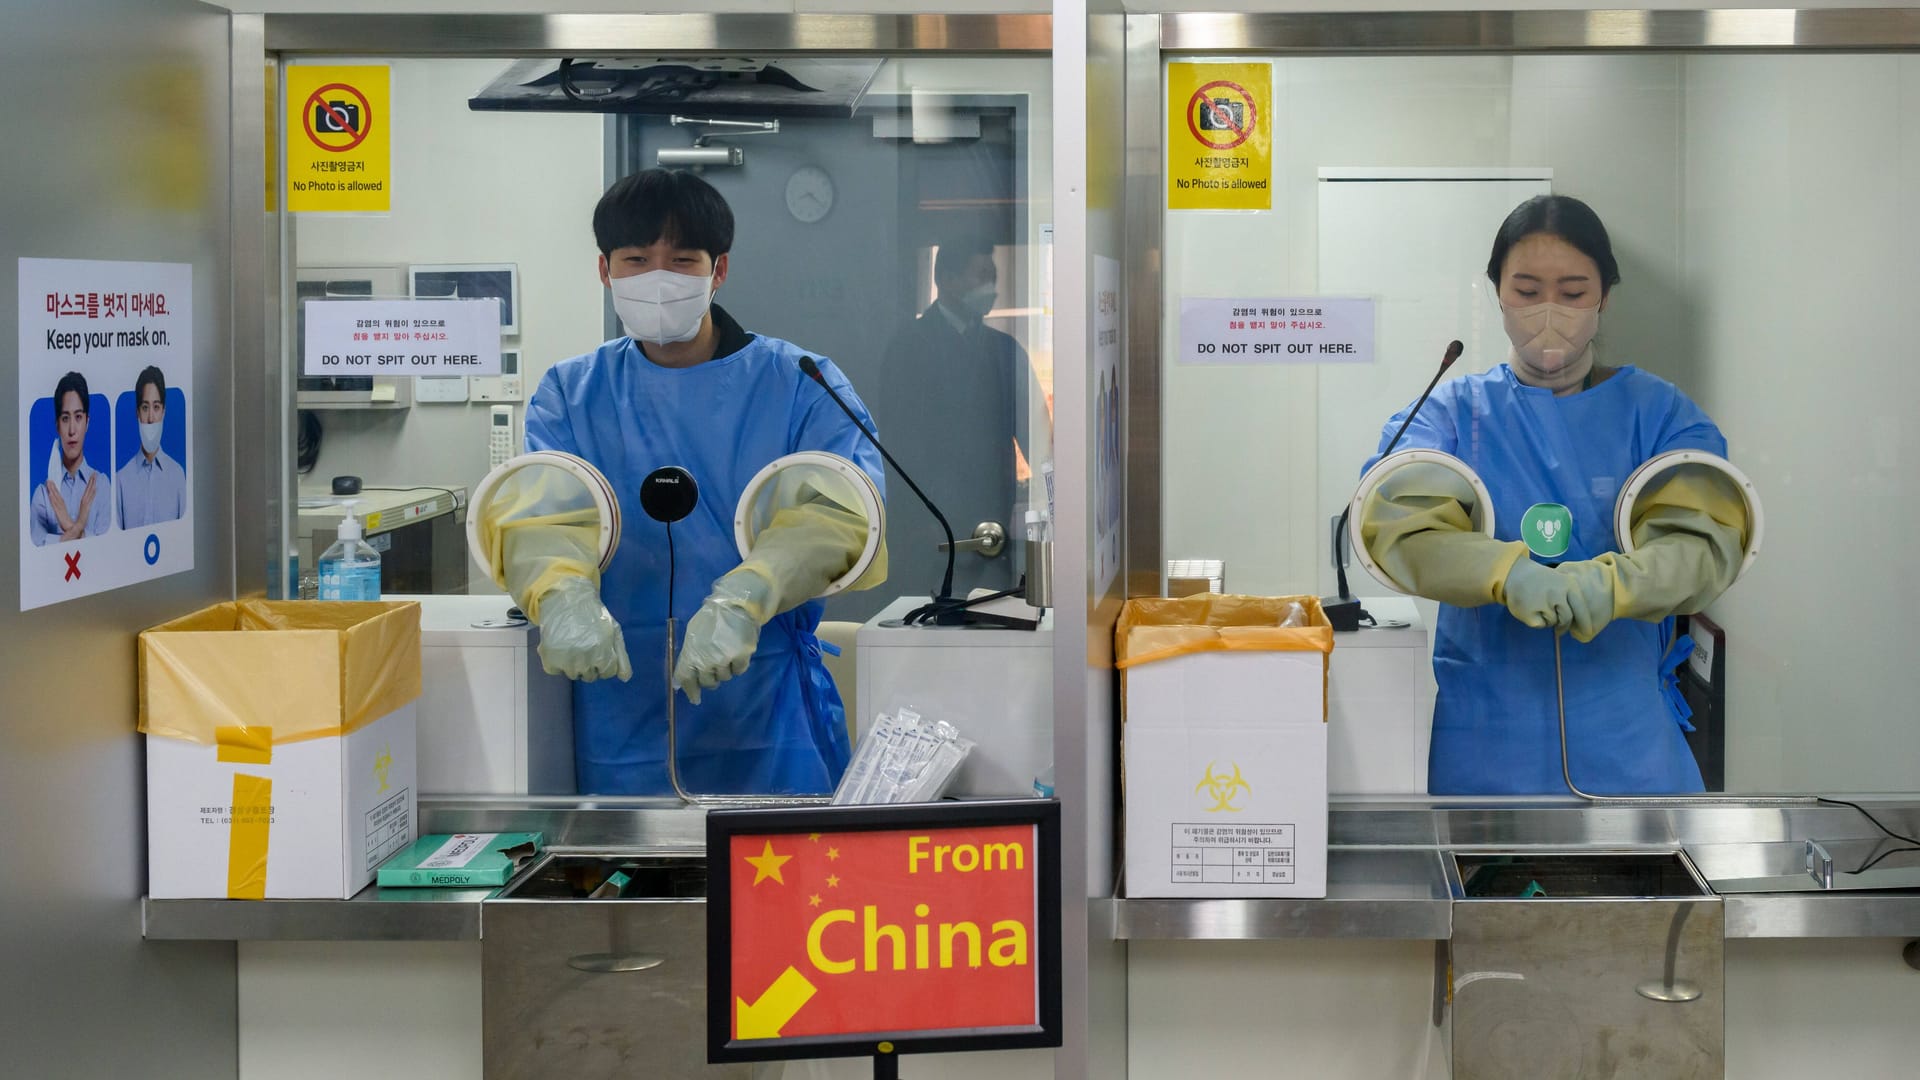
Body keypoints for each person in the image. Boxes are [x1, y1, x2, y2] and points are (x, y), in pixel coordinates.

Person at [1358, 195, 1750, 795]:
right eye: (1527, 291)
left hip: (1624, 736)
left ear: (1603, 298)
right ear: (1498, 295)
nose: (1549, 311)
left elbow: (1705, 544)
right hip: (1486, 736)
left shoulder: (1660, 415)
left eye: (1571, 293)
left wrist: (1613, 586)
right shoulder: (1452, 415)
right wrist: (1505, 573)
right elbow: (1395, 525)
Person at [516, 168, 887, 796]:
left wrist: (745, 598)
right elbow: (543, 518)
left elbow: (840, 514)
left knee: (784, 883)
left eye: (682, 260)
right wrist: (561, 598)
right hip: (617, 709)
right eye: (636, 259)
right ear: (605, 270)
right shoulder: (570, 393)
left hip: (764, 703)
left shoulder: (801, 382)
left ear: (718, 271)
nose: (658, 278)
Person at [876, 234, 1034, 598]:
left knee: (995, 621)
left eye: (992, 277)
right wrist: (920, 520)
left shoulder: (1004, 351)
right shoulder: (908, 349)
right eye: (981, 276)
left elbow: (1033, 435)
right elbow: (898, 444)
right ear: (945, 279)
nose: (991, 287)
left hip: (994, 526)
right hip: (930, 529)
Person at [31, 371, 112, 546]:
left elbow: (107, 551)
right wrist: (79, 526)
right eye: (66, 418)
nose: (72, 430)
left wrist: (67, 526)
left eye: (78, 417)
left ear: (87, 422)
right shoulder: (43, 495)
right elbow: (37, 552)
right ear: (57, 425)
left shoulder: (102, 486)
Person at [117, 365, 186, 529]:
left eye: (156, 407)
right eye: (145, 407)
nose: (150, 418)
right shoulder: (121, 480)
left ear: (163, 412)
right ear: (137, 413)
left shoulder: (177, 476)